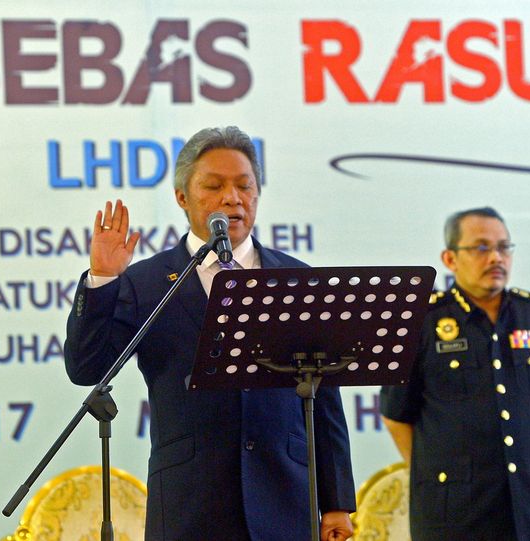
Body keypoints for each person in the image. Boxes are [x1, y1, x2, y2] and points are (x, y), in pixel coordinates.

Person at [64, 126, 356, 541]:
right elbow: (86, 368)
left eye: (244, 186)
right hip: (189, 502)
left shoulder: (296, 279)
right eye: (214, 186)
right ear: (182, 197)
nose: (231, 199)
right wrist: (103, 279)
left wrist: (338, 502)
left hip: (286, 499)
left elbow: (325, 399)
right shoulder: (146, 281)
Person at [380, 207, 530, 541]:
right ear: (450, 259)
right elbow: (396, 414)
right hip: (453, 509)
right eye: (482, 248)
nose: (496, 258)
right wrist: (441, 468)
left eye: (504, 247)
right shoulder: (420, 321)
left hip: (528, 503)